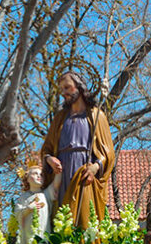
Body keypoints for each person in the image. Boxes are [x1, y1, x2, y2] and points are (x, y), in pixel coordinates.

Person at [40, 71, 115, 229]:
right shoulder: (60, 118)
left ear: (79, 88)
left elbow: (108, 152)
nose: (64, 93)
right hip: (61, 173)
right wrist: (49, 159)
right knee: (61, 217)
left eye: (67, 87)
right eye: (62, 89)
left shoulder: (96, 115)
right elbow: (47, 148)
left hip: (83, 173)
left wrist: (95, 167)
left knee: (84, 218)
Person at [15, 163, 61, 244]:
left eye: (41, 175)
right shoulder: (23, 197)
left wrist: (58, 169)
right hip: (28, 235)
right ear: (27, 178)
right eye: (35, 173)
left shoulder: (46, 194)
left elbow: (56, 183)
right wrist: (28, 209)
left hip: (43, 232)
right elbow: (17, 214)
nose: (39, 176)